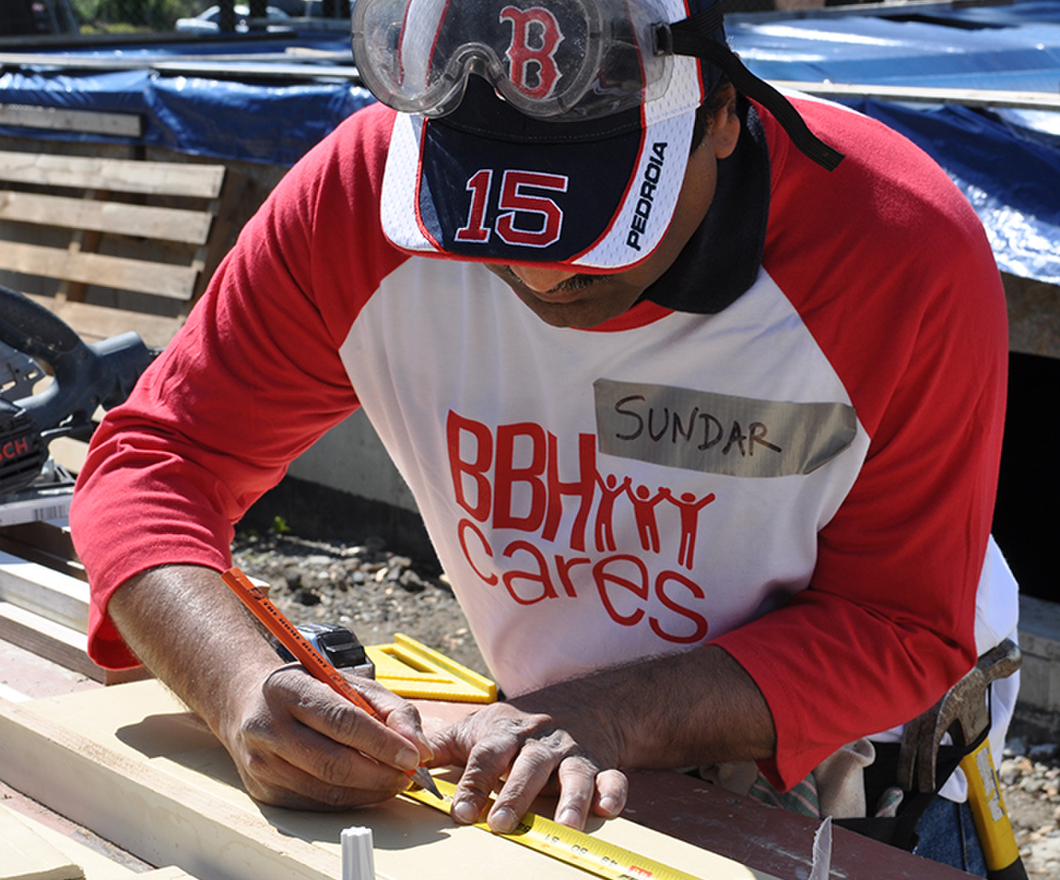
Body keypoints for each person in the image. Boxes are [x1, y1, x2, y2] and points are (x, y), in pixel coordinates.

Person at [69, 0, 1019, 873]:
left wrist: (609, 713)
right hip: (556, 739)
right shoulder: (357, 200)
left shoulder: (896, 248)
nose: (537, 273)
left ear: (723, 114)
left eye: (600, 219)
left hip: (856, 779)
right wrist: (237, 683)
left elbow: (898, 624)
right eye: (478, 222)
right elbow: (156, 461)